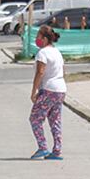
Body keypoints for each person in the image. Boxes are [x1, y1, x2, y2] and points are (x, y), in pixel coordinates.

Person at [29, 24, 67, 160]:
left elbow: (40, 72)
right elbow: (63, 71)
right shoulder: (57, 52)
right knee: (55, 120)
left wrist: (34, 91)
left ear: (44, 38)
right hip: (60, 89)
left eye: (38, 36)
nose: (36, 39)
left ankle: (43, 147)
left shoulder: (42, 53)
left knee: (35, 119)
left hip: (49, 89)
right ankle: (57, 150)